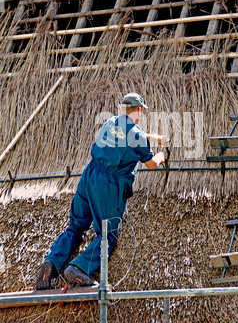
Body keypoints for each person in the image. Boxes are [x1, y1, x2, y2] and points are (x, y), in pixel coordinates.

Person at [36, 92, 166, 290]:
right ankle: (79, 268)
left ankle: (51, 264)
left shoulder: (109, 123)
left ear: (122, 109)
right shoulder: (138, 137)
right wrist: (160, 156)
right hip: (108, 186)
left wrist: (151, 137)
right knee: (107, 234)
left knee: (76, 227)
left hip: (89, 176)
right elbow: (150, 164)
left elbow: (127, 134)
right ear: (139, 110)